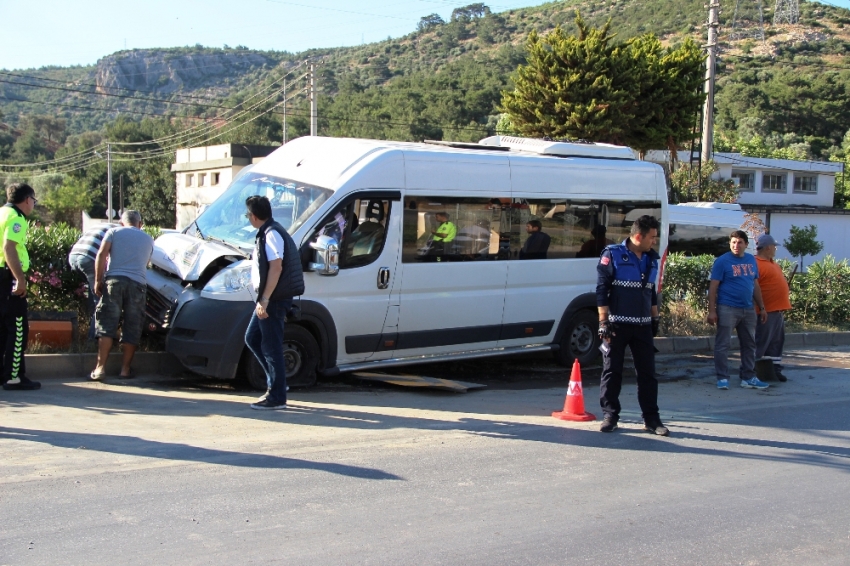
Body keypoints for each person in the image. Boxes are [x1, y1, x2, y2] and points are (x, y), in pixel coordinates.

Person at [596, 215, 668, 436]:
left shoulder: (651, 259)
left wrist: (655, 318)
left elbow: (651, 292)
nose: (654, 241)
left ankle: (651, 419)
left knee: (648, 373)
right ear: (639, 236)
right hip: (616, 325)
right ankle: (610, 416)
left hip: (642, 326)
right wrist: (603, 321)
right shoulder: (613, 254)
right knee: (612, 371)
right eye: (652, 237)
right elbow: (602, 289)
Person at [245, 195, 305, 410]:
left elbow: (276, 267)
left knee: (271, 347)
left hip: (273, 300)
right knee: (252, 338)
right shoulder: (270, 231)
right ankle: (278, 382)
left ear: (253, 216)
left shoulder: (271, 234)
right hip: (270, 298)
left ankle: (277, 396)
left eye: (247, 214)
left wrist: (265, 299)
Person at [90, 211, 154, 380]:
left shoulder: (113, 232)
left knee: (107, 323)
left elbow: (102, 254)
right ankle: (125, 370)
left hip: (114, 282)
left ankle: (100, 368)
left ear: (121, 223)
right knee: (132, 325)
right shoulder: (148, 239)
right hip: (138, 285)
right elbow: (147, 263)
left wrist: (98, 280)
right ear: (140, 224)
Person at [707, 230, 769, 390]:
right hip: (727, 307)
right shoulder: (722, 261)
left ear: (746, 245)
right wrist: (712, 311)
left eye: (740, 242)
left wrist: (761, 308)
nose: (736, 245)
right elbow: (713, 287)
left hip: (748, 308)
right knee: (723, 344)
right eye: (733, 242)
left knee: (749, 344)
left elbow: (755, 285)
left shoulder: (750, 260)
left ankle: (748, 377)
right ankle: (722, 378)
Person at [0, 183, 40, 391]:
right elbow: (9, 248)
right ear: (27, 199)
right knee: (17, 328)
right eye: (34, 200)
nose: (33, 204)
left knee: (2, 329)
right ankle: (14, 376)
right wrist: (20, 279)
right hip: (7, 278)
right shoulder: (16, 218)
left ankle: (3, 373)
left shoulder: (2, 213)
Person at [754, 233, 791, 382]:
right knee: (762, 341)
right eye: (774, 246)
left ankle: (774, 370)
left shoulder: (773, 263)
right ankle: (753, 371)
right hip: (765, 311)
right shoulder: (756, 263)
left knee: (776, 342)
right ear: (768, 247)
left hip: (777, 310)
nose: (775, 249)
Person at [68, 223, 115, 340]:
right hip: (89, 258)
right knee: (100, 299)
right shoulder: (118, 231)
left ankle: (88, 322)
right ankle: (92, 339)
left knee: (93, 292)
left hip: (73, 256)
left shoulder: (102, 226)